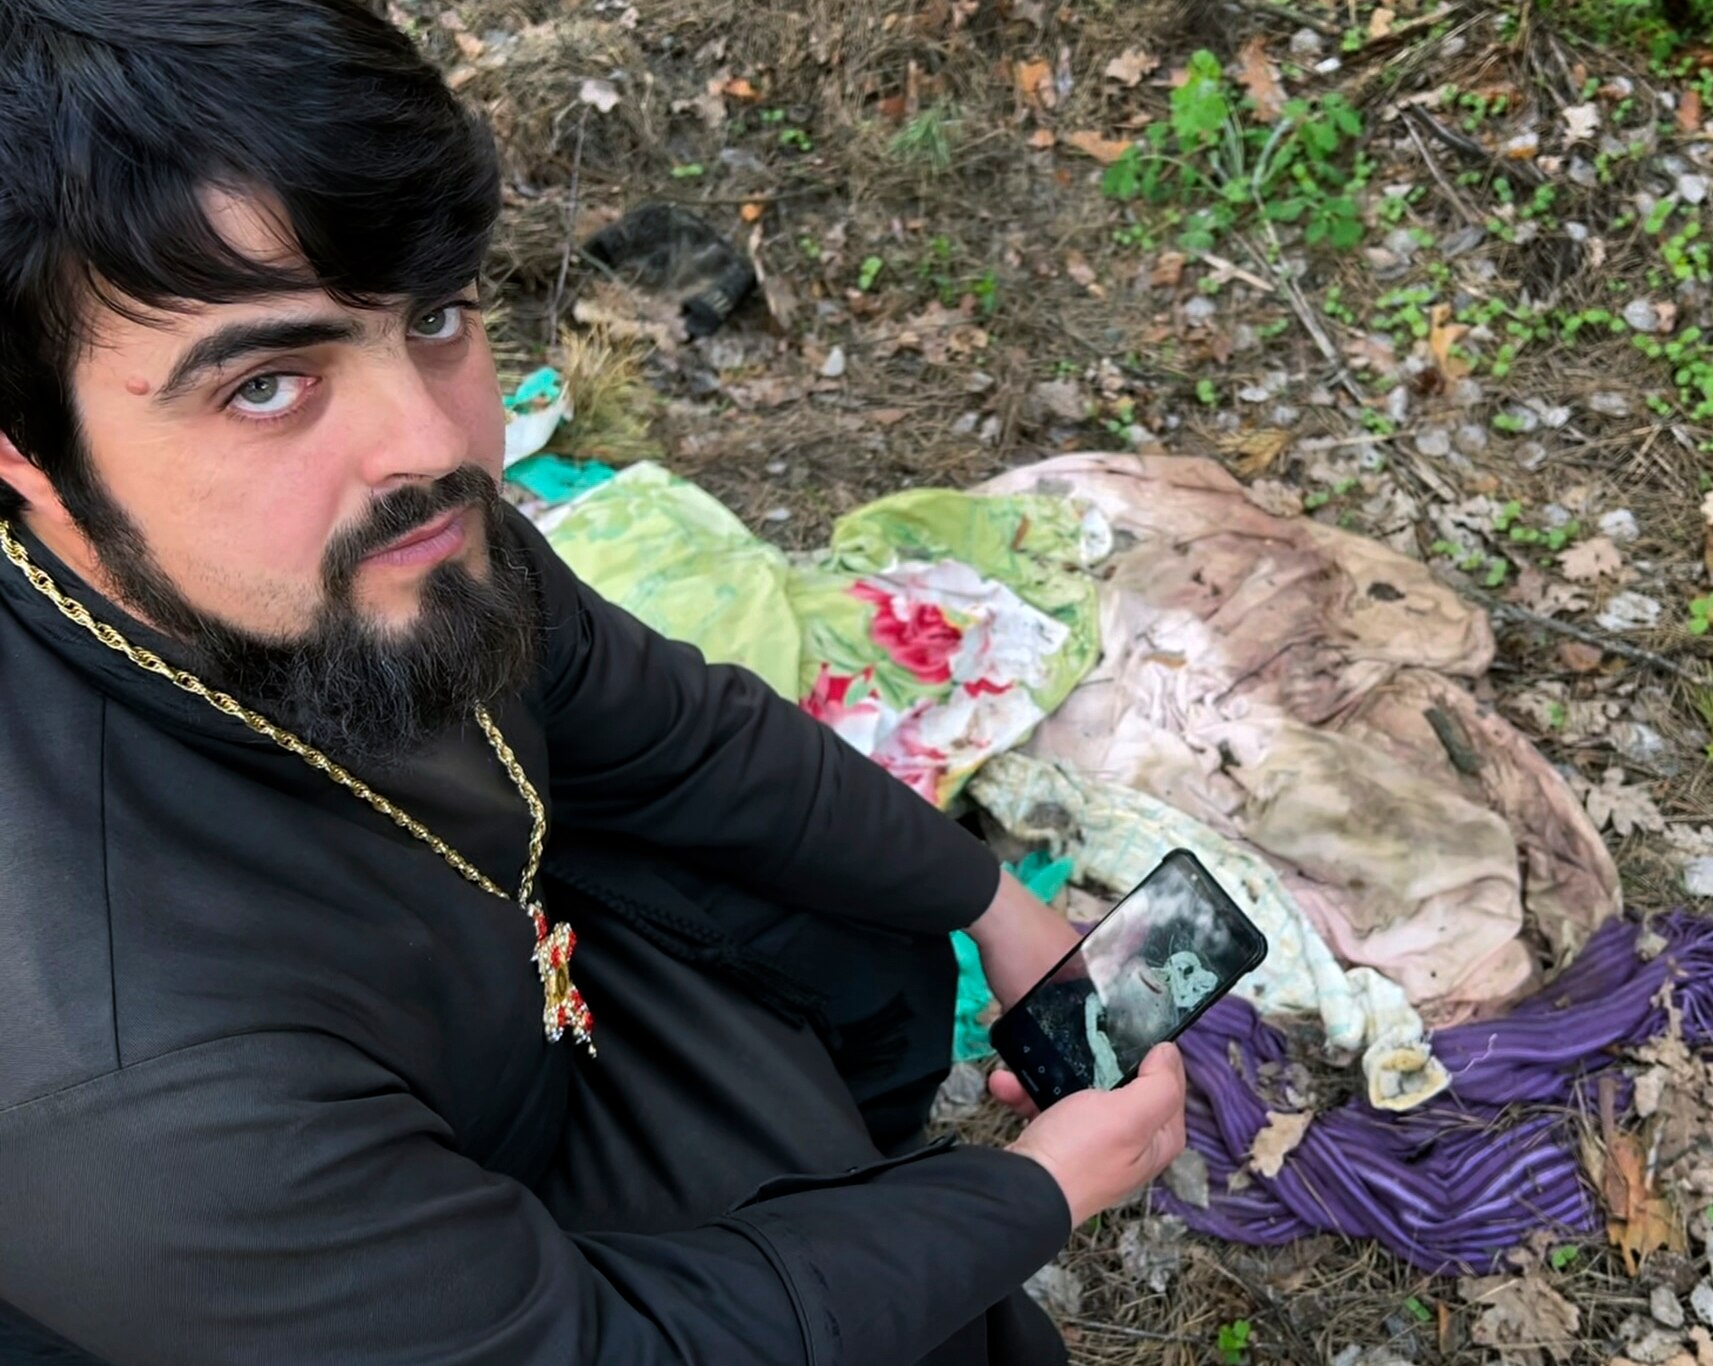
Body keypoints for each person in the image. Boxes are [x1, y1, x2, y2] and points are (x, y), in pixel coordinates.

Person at [0, 3, 1188, 1362]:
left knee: (860, 930)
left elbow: (675, 731)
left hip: (516, 1043)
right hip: (350, 1291)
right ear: (26, 449)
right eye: (270, 383)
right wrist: (1032, 1190)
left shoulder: (382, 539)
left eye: (437, 314)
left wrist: (996, 904)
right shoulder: (127, 1085)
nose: (439, 439)